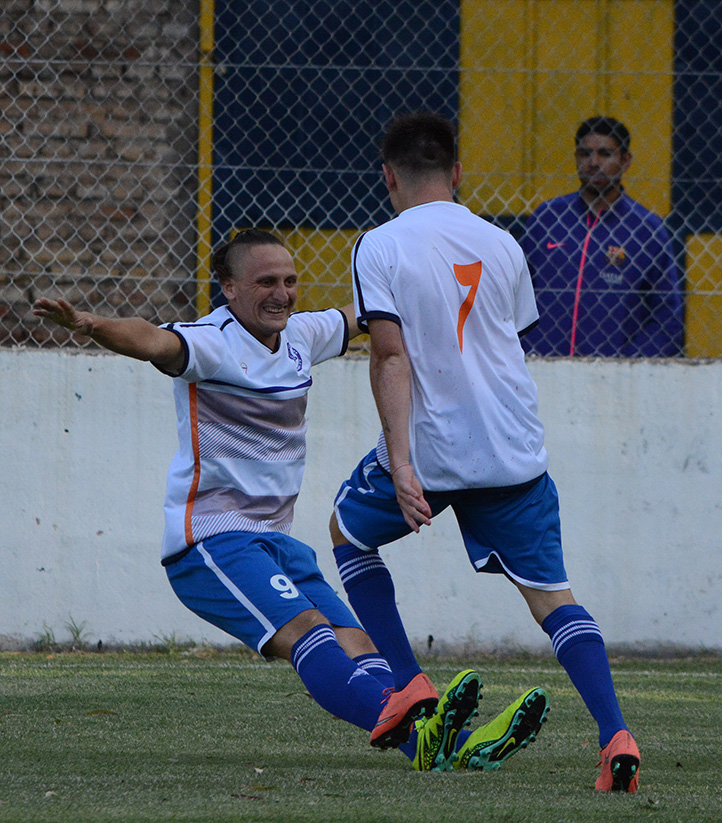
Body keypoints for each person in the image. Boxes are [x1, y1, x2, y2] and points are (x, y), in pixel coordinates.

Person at [32, 229, 480, 771]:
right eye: (266, 281)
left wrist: (435, 284)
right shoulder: (212, 343)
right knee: (309, 635)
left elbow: (367, 313)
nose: (283, 293)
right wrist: (92, 325)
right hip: (212, 542)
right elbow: (151, 340)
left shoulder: (300, 335)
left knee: (357, 641)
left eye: (290, 281)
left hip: (275, 542)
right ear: (230, 289)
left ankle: (437, 749)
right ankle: (415, 729)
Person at [328, 111, 641, 792]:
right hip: (512, 445)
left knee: (347, 534)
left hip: (432, 444)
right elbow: (506, 339)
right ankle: (615, 731)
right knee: (552, 598)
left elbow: (388, 353)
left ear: (388, 176)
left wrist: (402, 461)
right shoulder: (502, 242)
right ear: (458, 173)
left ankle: (408, 682)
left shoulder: (377, 244)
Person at [519, 115, 684, 357]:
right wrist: (526, 349)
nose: (594, 162)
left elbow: (667, 317)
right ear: (576, 157)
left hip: (615, 380)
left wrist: (629, 364)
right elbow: (513, 294)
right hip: (540, 370)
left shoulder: (647, 229)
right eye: (585, 154)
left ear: (625, 161)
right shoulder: (546, 219)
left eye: (606, 154)